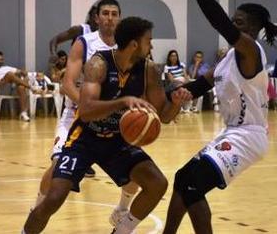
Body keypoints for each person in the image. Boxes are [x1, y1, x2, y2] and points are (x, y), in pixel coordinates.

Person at [23, 17, 192, 234]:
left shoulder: (149, 70)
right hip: (84, 139)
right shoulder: (98, 63)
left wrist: (176, 103)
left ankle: (121, 230)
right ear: (133, 44)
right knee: (53, 198)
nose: (151, 46)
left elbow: (163, 116)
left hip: (117, 142)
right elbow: (85, 111)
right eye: (148, 41)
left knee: (157, 183)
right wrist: (122, 102)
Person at [162, 0, 277, 234]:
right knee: (183, 179)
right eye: (233, 21)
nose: (232, 25)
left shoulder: (251, 50)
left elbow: (218, 21)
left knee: (191, 184)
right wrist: (176, 94)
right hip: (232, 131)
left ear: (252, 28)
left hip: (249, 136)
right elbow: (201, 84)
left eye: (238, 22)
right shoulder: (230, 57)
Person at [33, 0, 139, 226]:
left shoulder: (127, 48)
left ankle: (122, 209)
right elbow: (67, 84)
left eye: (114, 13)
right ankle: (37, 207)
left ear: (119, 18)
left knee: (137, 173)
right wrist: (88, 106)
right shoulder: (84, 43)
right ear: (97, 18)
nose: (110, 17)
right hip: (77, 117)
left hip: (113, 120)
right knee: (56, 169)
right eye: (105, 13)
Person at [0, 51, 40, 121]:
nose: (0, 61)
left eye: (1, 59)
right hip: (1, 87)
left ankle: (23, 114)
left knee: (21, 87)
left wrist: (24, 73)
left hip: (12, 88)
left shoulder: (7, 68)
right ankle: (31, 87)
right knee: (10, 74)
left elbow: (22, 71)